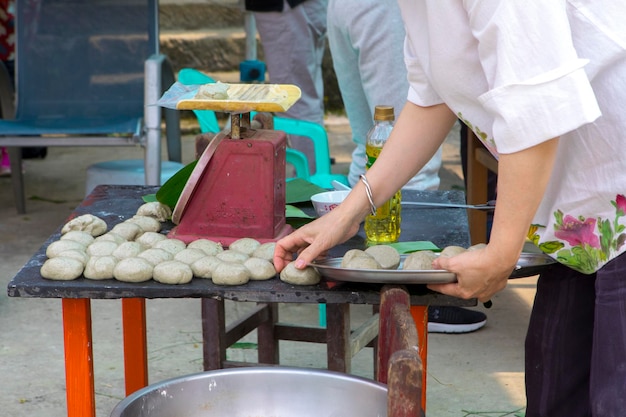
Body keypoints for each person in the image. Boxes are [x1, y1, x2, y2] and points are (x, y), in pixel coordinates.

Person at [275, 1, 626, 415]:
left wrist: (500, 253)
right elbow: (430, 100)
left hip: (611, 192)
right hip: (580, 225)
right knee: (557, 394)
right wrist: (347, 214)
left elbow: (537, 111)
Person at [327, 0, 485, 334]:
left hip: (347, 7)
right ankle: (413, 293)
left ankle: (372, 276)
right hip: (379, 9)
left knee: (372, 140)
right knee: (397, 147)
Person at [244, 0, 327, 174]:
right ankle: (313, 179)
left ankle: (308, 185)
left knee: (293, 103)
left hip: (287, 8)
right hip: (301, 8)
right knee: (305, 98)